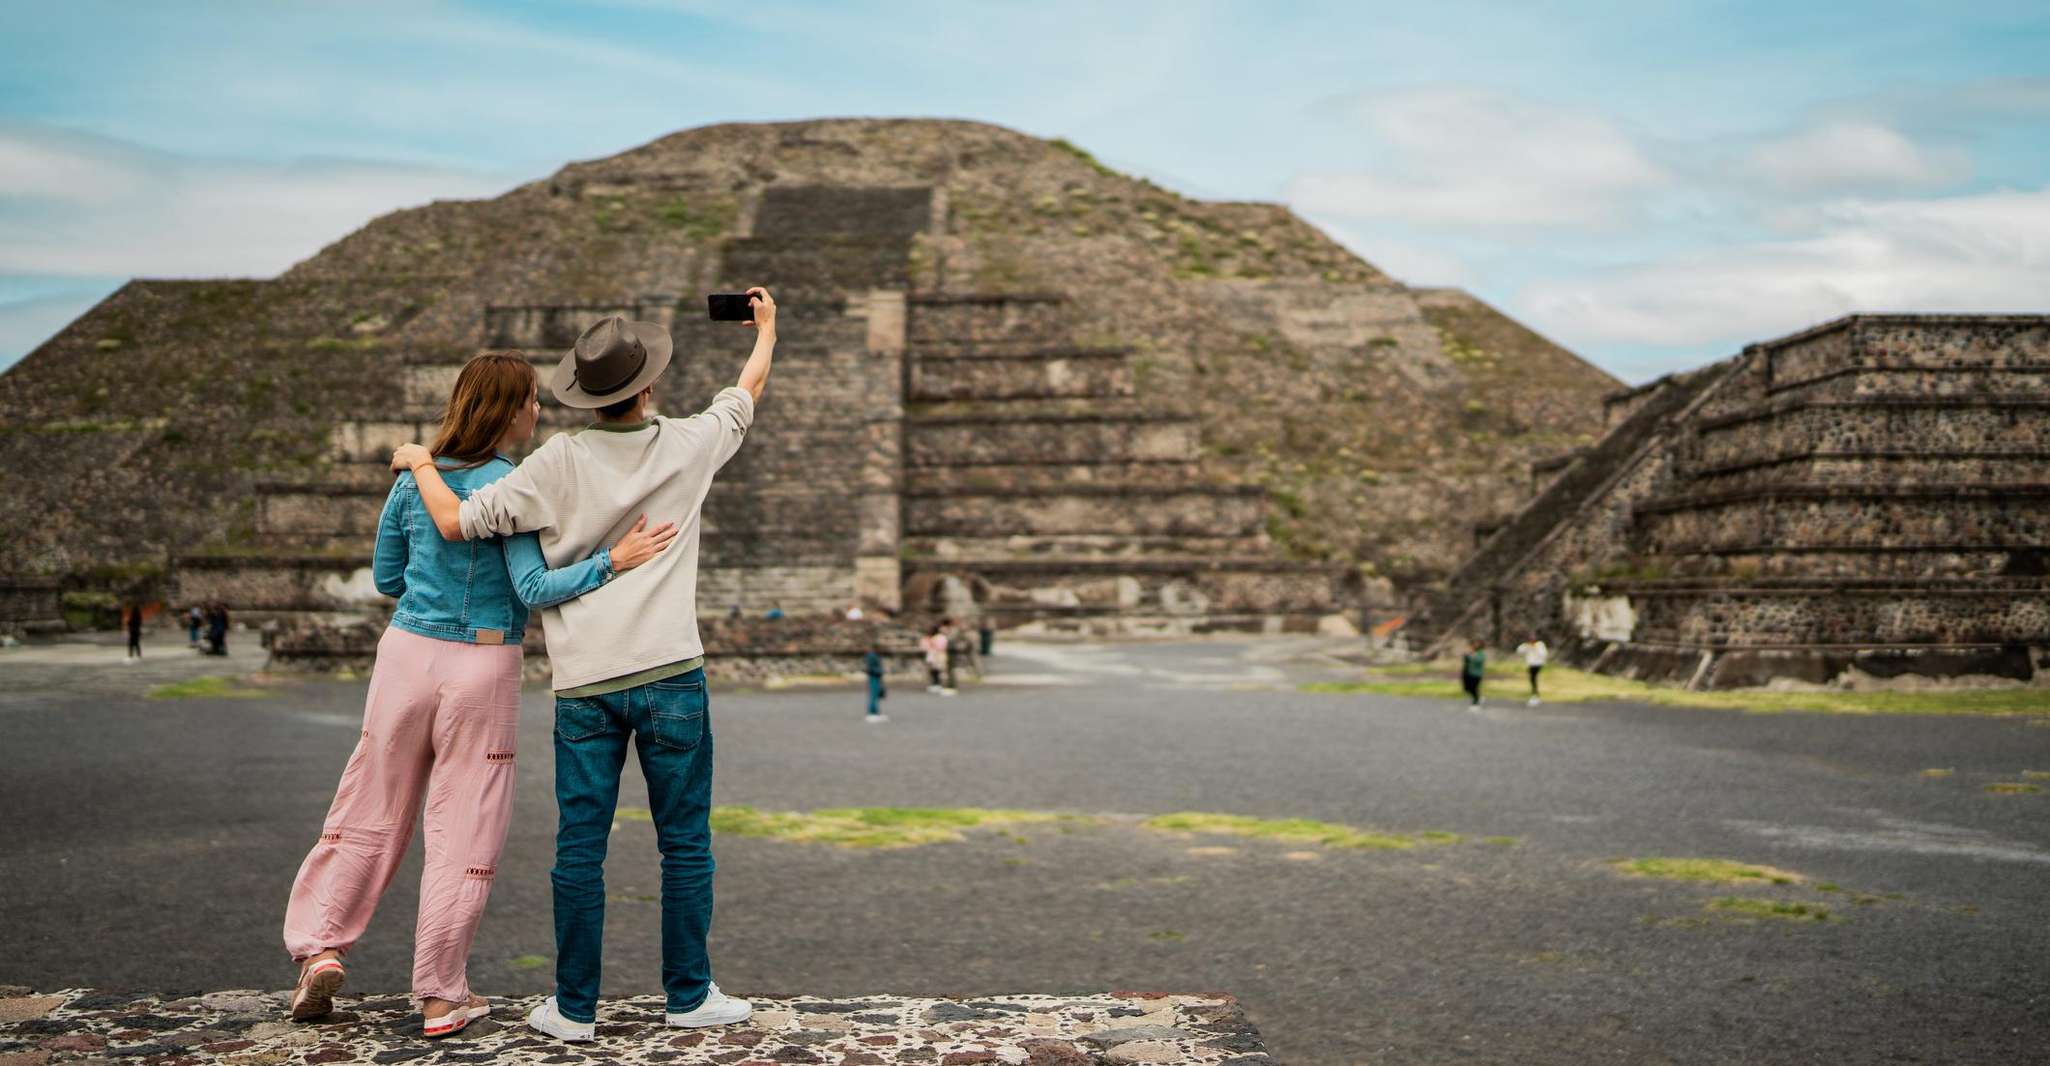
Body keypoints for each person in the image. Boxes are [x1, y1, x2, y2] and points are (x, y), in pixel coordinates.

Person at [392, 290, 776, 1041]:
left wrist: (418, 461)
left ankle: (572, 1008)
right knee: (686, 841)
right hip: (671, 673)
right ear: (649, 385)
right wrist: (766, 329)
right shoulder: (691, 443)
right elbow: (746, 389)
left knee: (580, 848)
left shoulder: (555, 460)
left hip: (586, 686)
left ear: (585, 394)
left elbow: (453, 519)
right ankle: (689, 994)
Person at [285, 352, 675, 1038]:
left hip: (405, 655)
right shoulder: (517, 487)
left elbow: (386, 575)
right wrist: (613, 561)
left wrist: (430, 603)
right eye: (531, 401)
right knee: (463, 826)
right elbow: (533, 590)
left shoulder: (415, 476)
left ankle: (321, 948)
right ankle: (440, 994)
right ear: (509, 409)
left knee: (368, 804)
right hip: (482, 663)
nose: (537, 412)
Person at [1515, 633, 1549, 706]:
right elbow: (1519, 651)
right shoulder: (1527, 646)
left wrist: (1535, 647)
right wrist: (1527, 645)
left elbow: (1543, 654)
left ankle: (1535, 695)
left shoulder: (1540, 645)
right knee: (1532, 679)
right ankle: (1534, 694)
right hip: (1531, 665)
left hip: (1538, 664)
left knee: (1533, 678)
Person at [862, 641, 887, 723]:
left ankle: (875, 712)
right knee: (874, 695)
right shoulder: (872, 656)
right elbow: (870, 668)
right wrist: (880, 671)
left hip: (874, 676)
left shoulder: (871, 655)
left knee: (874, 695)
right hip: (874, 676)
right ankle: (872, 712)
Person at [922, 622, 949, 695]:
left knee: (937, 671)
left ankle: (938, 684)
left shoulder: (938, 637)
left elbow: (940, 647)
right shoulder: (935, 637)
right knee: (934, 671)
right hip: (935, 655)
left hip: (937, 655)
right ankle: (936, 684)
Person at [1460, 640, 1486, 709]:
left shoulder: (1481, 653)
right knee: (1467, 688)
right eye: (1474, 644)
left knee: (1474, 688)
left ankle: (1476, 703)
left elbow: (1479, 661)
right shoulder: (1471, 652)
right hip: (1468, 673)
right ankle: (1478, 697)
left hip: (1476, 674)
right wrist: (1466, 655)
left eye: (1477, 644)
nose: (1475, 645)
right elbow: (1466, 660)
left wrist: (1472, 655)